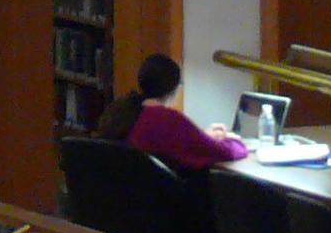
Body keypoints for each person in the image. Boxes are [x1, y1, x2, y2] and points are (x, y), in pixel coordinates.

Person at [95, 54, 249, 170]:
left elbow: (180, 140)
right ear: (174, 87)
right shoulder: (168, 120)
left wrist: (204, 136)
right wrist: (235, 141)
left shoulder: (123, 110)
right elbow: (226, 153)